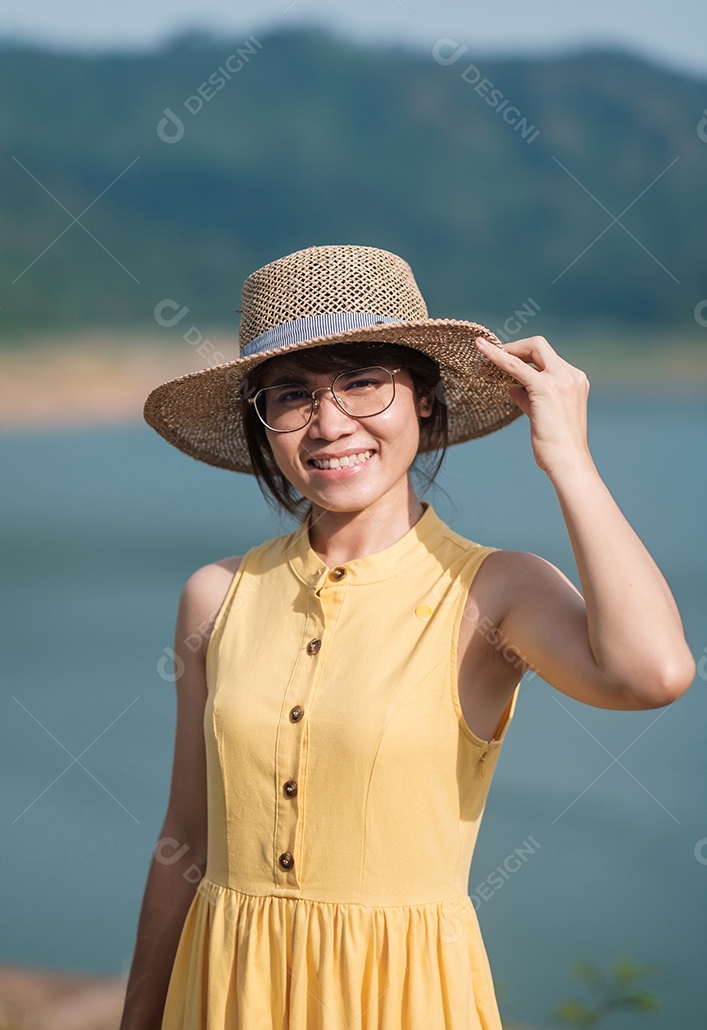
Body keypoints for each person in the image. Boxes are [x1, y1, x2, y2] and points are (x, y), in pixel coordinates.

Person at [119, 244, 695, 1030]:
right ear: (265, 422)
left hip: (402, 999)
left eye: (363, 382)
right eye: (292, 396)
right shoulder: (217, 595)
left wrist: (568, 458)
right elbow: (184, 837)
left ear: (422, 398)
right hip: (223, 996)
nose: (329, 424)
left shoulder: (496, 592)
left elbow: (653, 674)